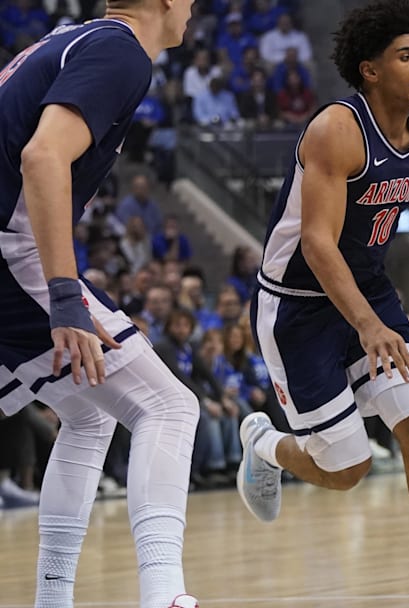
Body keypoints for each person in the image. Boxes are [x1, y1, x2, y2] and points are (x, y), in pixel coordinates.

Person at [235, 3, 409, 607]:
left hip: (370, 293)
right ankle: (265, 444)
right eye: (406, 56)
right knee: (346, 469)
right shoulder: (336, 130)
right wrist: (366, 325)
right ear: (370, 70)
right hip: (298, 307)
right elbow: (315, 241)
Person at [0, 3, 200, 608]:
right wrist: (64, 297)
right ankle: (163, 594)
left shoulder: (71, 40)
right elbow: (42, 157)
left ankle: (52, 600)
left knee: (87, 413)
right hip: (11, 251)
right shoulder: (119, 49)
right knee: (168, 406)